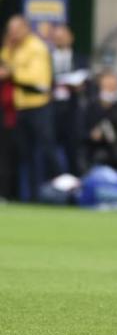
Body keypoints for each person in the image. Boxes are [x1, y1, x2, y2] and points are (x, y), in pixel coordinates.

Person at [0, 15, 55, 202]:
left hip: (38, 107)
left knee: (46, 151)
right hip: (21, 108)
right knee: (26, 155)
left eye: (16, 30)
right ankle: (32, 197)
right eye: (10, 30)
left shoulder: (36, 48)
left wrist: (12, 73)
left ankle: (59, 193)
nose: (13, 33)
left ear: (26, 28)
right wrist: (9, 48)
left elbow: (38, 80)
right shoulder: (13, 48)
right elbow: (3, 64)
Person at [51, 24, 89, 176]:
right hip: (52, 110)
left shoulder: (80, 59)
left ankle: (75, 186)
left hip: (72, 110)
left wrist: (80, 85)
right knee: (50, 149)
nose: (60, 39)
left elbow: (87, 82)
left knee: (73, 149)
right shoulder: (47, 59)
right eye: (57, 37)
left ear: (71, 38)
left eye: (63, 36)